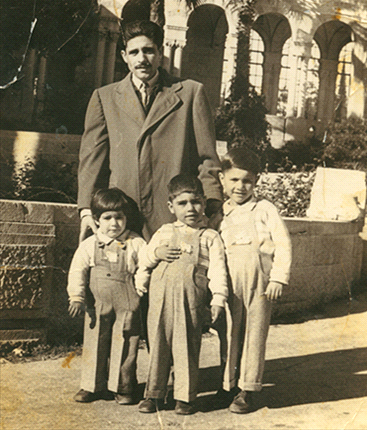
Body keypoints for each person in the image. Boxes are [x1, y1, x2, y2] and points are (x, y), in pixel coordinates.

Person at [77, 20, 222, 242]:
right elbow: (92, 160)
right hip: (122, 218)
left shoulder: (191, 93)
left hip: (175, 219)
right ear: (125, 57)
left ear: (160, 52)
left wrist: (212, 206)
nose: (141, 59)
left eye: (148, 51)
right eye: (134, 52)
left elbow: (207, 159)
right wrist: (87, 209)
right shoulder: (104, 98)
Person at [134, 174, 228, 415]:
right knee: (158, 343)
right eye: (182, 203)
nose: (190, 209)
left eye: (196, 202)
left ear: (204, 203)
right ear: (171, 207)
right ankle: (154, 394)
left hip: (191, 300)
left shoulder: (210, 237)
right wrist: (154, 256)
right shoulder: (164, 232)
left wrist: (218, 298)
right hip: (160, 299)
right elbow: (143, 261)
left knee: (187, 346)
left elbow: (218, 270)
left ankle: (185, 397)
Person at [218, 147, 292, 414]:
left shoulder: (264, 209)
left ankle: (247, 389)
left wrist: (278, 279)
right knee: (229, 333)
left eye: (247, 180)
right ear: (222, 179)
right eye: (234, 180)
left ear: (256, 181)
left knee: (254, 334)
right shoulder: (220, 213)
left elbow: (283, 243)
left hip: (259, 283)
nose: (240, 186)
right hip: (230, 284)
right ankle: (226, 385)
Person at [67, 188, 146, 404]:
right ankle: (92, 386)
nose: (114, 224)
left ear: (126, 218)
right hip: (97, 303)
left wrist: (140, 287)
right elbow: (77, 270)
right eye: (107, 218)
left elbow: (145, 266)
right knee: (95, 340)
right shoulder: (90, 244)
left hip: (127, 301)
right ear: (96, 220)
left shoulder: (135, 242)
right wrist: (76, 296)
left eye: (119, 217)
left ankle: (123, 387)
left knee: (126, 340)